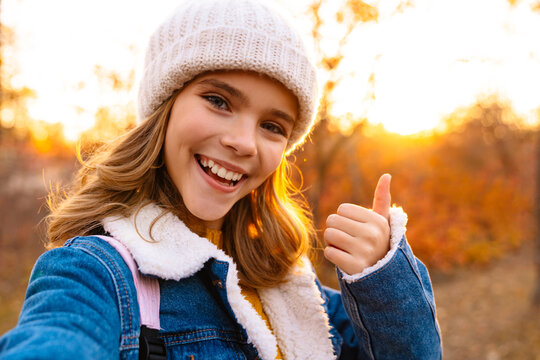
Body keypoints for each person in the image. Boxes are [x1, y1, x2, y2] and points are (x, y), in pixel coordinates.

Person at [0, 0, 442, 358]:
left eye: (273, 126)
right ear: (164, 108)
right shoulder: (96, 275)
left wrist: (383, 277)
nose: (244, 142)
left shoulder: (290, 285)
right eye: (218, 100)